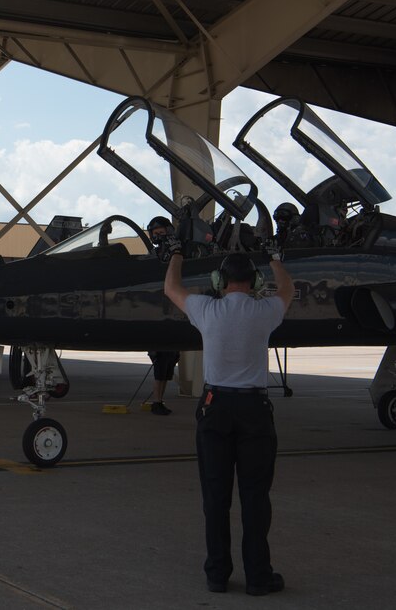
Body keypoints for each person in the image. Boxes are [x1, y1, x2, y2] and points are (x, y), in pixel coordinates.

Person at [163, 237, 294, 597]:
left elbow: (171, 287)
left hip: (215, 408)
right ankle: (258, 577)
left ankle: (217, 574)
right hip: (254, 411)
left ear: (219, 282)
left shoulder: (206, 309)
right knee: (255, 497)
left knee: (215, 496)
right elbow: (287, 289)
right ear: (254, 282)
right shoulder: (266, 311)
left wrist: (177, 253)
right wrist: (275, 258)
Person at [146, 216, 179, 415]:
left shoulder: (177, 253)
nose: (158, 236)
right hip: (161, 314)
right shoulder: (155, 255)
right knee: (161, 362)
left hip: (171, 314)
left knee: (168, 362)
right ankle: (156, 401)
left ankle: (160, 400)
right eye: (155, 233)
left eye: (161, 232)